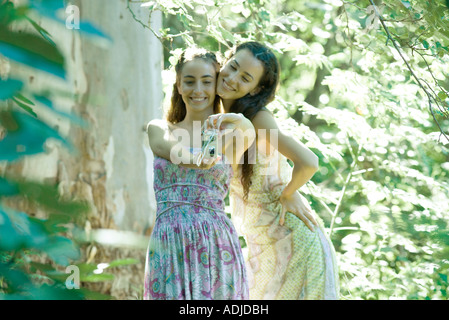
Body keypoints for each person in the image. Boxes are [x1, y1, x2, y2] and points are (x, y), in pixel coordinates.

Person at [208, 41, 339, 299]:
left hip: (292, 240)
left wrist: (289, 193)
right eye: (232, 67)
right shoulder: (221, 113)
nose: (232, 78)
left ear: (256, 88)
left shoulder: (258, 119)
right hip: (264, 243)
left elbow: (309, 161)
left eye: (245, 78)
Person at [143, 47, 255, 300]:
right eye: (189, 82)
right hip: (168, 241)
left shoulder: (230, 133)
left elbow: (248, 130)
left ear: (217, 84)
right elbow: (166, 148)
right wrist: (198, 159)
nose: (198, 90)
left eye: (207, 81)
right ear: (179, 86)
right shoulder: (160, 128)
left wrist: (230, 120)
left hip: (215, 240)